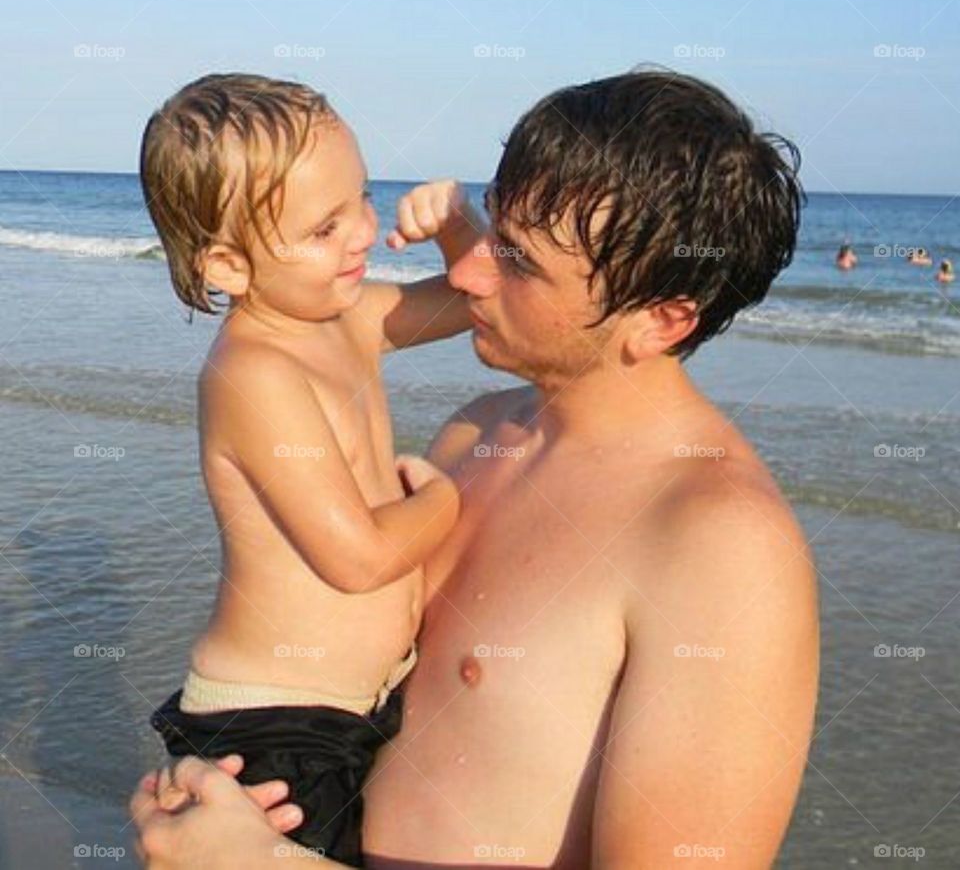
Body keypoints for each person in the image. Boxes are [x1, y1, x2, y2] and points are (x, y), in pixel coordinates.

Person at [132, 69, 820, 869]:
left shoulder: (721, 549)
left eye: (519, 262)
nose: (464, 272)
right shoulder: (475, 438)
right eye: (491, 226)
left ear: (661, 320)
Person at [138, 73, 487, 865]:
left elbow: (479, 298)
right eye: (324, 226)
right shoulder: (254, 370)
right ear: (227, 264)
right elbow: (357, 557)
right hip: (277, 724)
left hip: (354, 706)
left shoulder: (350, 318)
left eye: (362, 199)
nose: (362, 232)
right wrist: (443, 497)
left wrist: (459, 226)